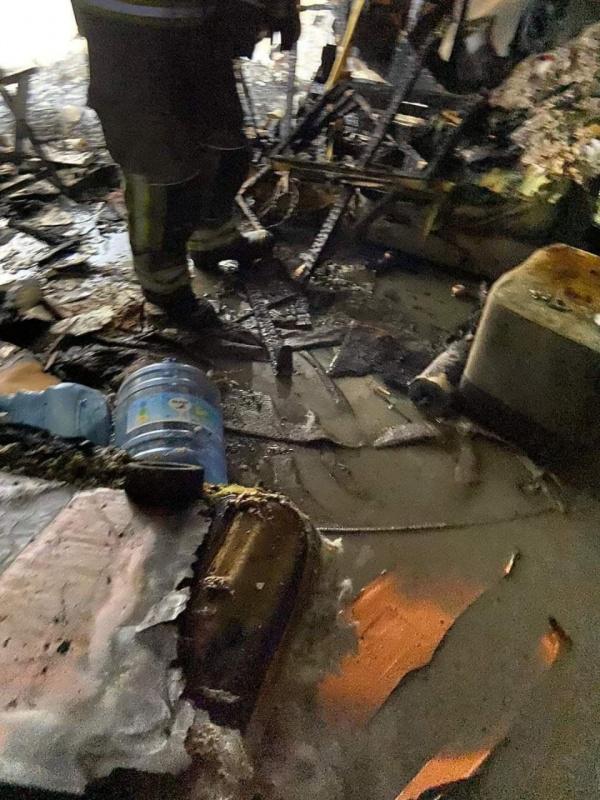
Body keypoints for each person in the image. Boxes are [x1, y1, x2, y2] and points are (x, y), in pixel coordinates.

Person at [72, 0, 300, 329]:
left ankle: (213, 240)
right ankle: (165, 290)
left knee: (224, 144)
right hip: (130, 34)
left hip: (200, 27)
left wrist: (277, 8)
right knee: (161, 171)